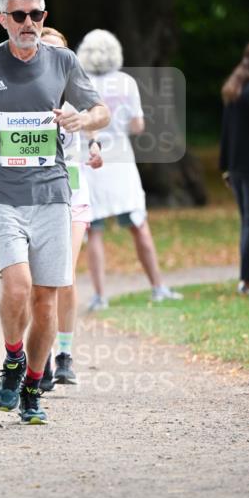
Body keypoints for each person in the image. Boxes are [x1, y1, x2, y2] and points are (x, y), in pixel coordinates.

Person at [0, 0, 110, 425]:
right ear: (3, 20)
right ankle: (13, 360)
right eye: (19, 15)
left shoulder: (63, 61)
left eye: (36, 15)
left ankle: (34, 384)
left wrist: (80, 117)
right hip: (3, 196)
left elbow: (101, 111)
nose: (29, 23)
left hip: (53, 194)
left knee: (45, 301)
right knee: (17, 288)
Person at [76, 29, 183, 310]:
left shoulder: (80, 82)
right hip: (121, 161)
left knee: (94, 230)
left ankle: (100, 296)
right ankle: (158, 286)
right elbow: (138, 126)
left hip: (89, 161)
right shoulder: (125, 82)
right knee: (138, 224)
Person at [39, 27, 103, 389]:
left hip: (73, 191)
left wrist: (94, 147)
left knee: (64, 272)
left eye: (60, 52)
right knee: (39, 280)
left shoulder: (73, 93)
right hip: (34, 194)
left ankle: (64, 355)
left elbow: (93, 119)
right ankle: (41, 356)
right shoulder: (25, 97)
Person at [220, 38, 249, 296]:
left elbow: (226, 132)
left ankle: (247, 279)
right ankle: (247, 281)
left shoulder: (235, 88)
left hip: (237, 168)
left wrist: (225, 166)